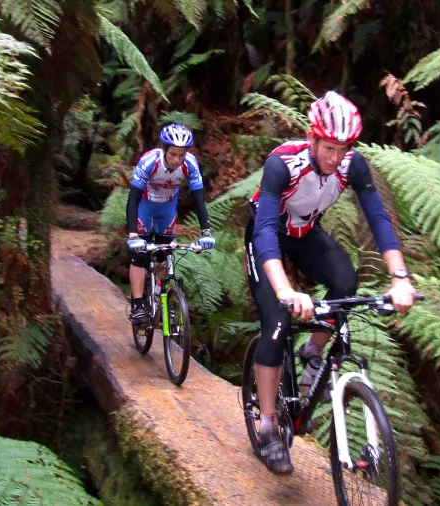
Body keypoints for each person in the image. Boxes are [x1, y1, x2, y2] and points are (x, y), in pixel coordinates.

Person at [244, 91, 419, 475]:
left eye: (343, 149)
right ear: (312, 138)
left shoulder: (352, 166)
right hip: (268, 235)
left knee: (346, 280)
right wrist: (286, 290)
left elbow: (378, 220)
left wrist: (400, 278)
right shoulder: (282, 164)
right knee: (276, 321)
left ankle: (313, 351)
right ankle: (269, 425)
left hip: (306, 234)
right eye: (328, 149)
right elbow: (266, 231)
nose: (335, 158)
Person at [126, 124, 215, 323]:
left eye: (181, 155)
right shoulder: (149, 162)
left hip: (167, 208)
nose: (177, 160)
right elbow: (132, 199)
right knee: (139, 255)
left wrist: (206, 232)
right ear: (164, 149)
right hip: (145, 206)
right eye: (173, 154)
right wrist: (133, 234)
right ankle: (139, 305)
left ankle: (160, 296)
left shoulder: (190, 164)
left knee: (165, 254)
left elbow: (198, 200)